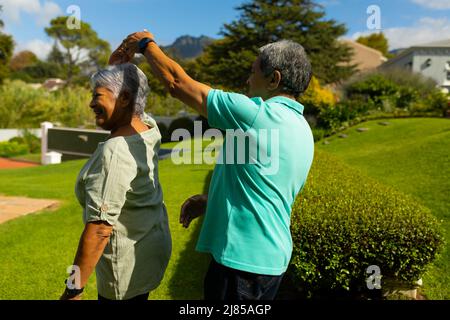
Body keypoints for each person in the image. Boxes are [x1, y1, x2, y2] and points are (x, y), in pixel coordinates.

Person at [110, 31, 314, 300]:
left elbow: (176, 83)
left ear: (274, 79)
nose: (247, 80)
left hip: (241, 263)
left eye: (253, 72)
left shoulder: (256, 115)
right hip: (272, 261)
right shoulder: (302, 129)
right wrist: (212, 200)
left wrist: (146, 44)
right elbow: (265, 186)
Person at [60, 63, 172, 301]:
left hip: (125, 266)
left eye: (97, 96)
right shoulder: (148, 129)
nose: (91, 103)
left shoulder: (116, 151)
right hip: (148, 250)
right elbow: (137, 106)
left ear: (124, 98)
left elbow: (100, 229)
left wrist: (73, 288)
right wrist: (119, 68)